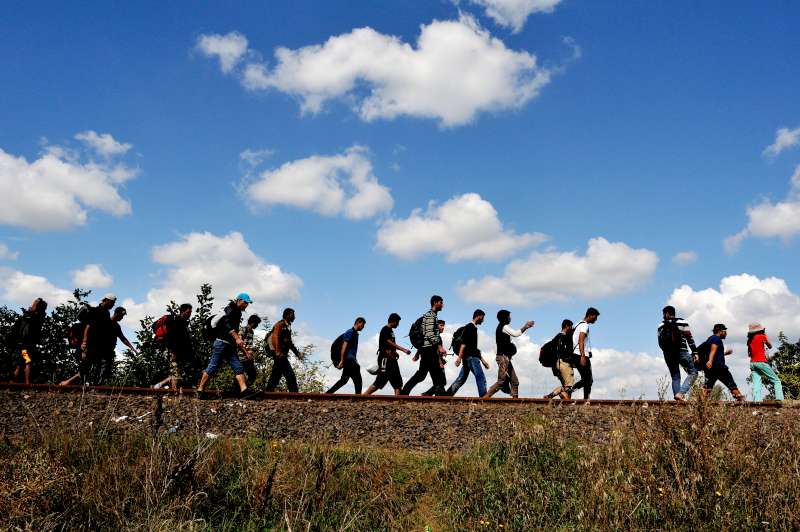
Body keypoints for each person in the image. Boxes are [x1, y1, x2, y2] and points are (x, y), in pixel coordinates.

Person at [196, 294, 255, 399]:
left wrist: (245, 351)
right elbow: (227, 323)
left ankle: (244, 391)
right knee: (213, 366)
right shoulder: (231, 309)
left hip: (230, 345)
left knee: (238, 366)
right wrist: (236, 338)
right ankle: (200, 390)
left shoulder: (237, 312)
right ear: (239, 300)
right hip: (221, 343)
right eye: (245, 302)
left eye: (248, 303)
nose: (246, 305)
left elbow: (235, 334)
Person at [60, 294, 118, 386]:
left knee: (93, 366)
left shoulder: (106, 313)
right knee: (86, 366)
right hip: (89, 343)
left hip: (97, 344)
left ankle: (85, 385)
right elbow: (88, 327)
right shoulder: (95, 311)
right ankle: (68, 383)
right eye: (112, 303)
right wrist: (84, 342)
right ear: (106, 300)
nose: (113, 305)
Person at [401, 296, 448, 396]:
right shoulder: (431, 315)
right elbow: (429, 333)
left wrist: (418, 353)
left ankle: (405, 392)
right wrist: (439, 347)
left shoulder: (430, 315)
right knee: (437, 375)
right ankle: (441, 396)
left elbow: (425, 335)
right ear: (435, 303)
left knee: (425, 375)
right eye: (441, 302)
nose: (442, 305)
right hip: (429, 350)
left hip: (426, 349)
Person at [484, 310, 534, 398]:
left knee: (515, 381)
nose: (510, 318)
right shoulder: (504, 326)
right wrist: (526, 326)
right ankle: (484, 399)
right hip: (503, 358)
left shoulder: (501, 327)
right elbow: (516, 334)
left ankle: (515, 403)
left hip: (505, 358)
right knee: (501, 381)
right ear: (505, 317)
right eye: (509, 316)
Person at [364, 313, 412, 396]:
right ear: (393, 321)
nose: (398, 324)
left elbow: (390, 344)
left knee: (397, 381)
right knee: (381, 379)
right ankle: (364, 396)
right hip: (385, 358)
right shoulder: (385, 329)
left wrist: (395, 352)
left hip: (392, 359)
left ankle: (398, 401)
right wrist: (403, 349)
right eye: (397, 322)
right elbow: (388, 342)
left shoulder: (390, 331)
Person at [657, 306, 699, 401]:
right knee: (693, 373)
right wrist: (695, 352)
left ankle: (678, 398)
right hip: (682, 351)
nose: (663, 316)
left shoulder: (660, 325)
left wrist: (666, 352)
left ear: (667, 313)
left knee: (675, 376)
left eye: (663, 314)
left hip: (668, 354)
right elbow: (689, 338)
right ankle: (681, 393)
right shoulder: (682, 322)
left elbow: (660, 342)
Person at [446, 310, 490, 397]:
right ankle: (484, 398)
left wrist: (483, 361)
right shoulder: (470, 327)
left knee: (461, 379)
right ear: (478, 316)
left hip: (467, 358)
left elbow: (473, 348)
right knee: (481, 377)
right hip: (472, 358)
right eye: (483, 318)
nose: (483, 320)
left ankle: (446, 396)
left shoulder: (471, 327)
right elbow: (463, 344)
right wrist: (459, 358)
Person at [152, 304, 195, 390]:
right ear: (182, 311)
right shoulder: (175, 321)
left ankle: (157, 386)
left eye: (190, 312)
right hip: (171, 351)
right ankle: (174, 395)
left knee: (176, 373)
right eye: (188, 312)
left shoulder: (183, 324)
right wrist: (173, 352)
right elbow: (173, 338)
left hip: (177, 352)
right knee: (175, 373)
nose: (190, 314)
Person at [95, 306, 139, 385]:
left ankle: (98, 386)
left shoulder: (117, 326)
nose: (122, 318)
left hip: (109, 351)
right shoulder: (105, 321)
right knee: (99, 368)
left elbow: (123, 338)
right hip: (99, 350)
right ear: (117, 313)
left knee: (106, 370)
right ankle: (95, 386)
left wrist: (133, 348)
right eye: (121, 316)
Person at [700, 324, 745, 401]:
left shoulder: (710, 339)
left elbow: (713, 352)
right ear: (720, 331)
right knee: (731, 384)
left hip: (711, 368)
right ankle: (742, 401)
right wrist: (710, 361)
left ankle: (701, 404)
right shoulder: (716, 339)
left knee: (708, 386)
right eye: (725, 331)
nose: (726, 333)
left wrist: (724, 354)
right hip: (719, 368)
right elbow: (713, 350)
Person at [265, 308, 303, 393]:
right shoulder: (280, 324)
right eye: (292, 315)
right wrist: (278, 351)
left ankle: (268, 392)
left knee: (276, 375)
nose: (294, 317)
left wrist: (297, 353)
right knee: (290, 375)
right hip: (279, 354)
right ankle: (294, 394)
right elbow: (275, 337)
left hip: (281, 354)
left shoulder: (287, 326)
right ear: (287, 315)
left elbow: (289, 342)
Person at [11, 298, 47, 384]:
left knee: (24, 363)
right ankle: (22, 383)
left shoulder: (29, 316)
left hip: (24, 344)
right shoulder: (39, 317)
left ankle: (18, 383)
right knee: (25, 362)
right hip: (29, 344)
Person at [325, 317, 366, 394]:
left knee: (344, 380)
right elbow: (344, 346)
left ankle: (328, 394)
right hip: (348, 360)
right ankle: (358, 399)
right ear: (358, 322)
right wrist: (342, 361)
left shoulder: (355, 334)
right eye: (362, 325)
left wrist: (355, 360)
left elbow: (352, 350)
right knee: (358, 380)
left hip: (350, 359)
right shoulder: (350, 332)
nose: (363, 327)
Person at [747, 322, 783, 401]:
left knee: (757, 384)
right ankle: (779, 400)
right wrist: (764, 334)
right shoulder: (762, 336)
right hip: (761, 362)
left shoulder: (749, 340)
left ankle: (756, 401)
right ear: (760, 330)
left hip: (752, 363)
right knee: (776, 381)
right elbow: (770, 346)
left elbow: (749, 354)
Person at [571, 307, 600, 400]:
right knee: (588, 379)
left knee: (587, 379)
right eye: (595, 317)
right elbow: (581, 340)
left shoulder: (577, 324)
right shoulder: (584, 325)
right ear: (590, 315)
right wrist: (583, 356)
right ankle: (584, 399)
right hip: (580, 355)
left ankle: (585, 398)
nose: (596, 319)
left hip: (576, 354)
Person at [544, 320, 575, 400]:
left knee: (565, 386)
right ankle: (563, 399)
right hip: (564, 364)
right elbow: (566, 353)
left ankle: (549, 397)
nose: (571, 329)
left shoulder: (556, 337)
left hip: (556, 364)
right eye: (570, 327)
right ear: (567, 326)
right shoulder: (564, 337)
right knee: (568, 387)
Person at [239, 314, 262, 386]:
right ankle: (241, 391)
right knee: (242, 374)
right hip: (241, 356)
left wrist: (251, 354)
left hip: (248, 357)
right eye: (257, 324)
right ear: (253, 322)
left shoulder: (251, 332)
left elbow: (249, 345)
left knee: (252, 375)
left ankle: (243, 390)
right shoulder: (243, 329)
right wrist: (247, 353)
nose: (257, 325)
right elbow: (239, 343)